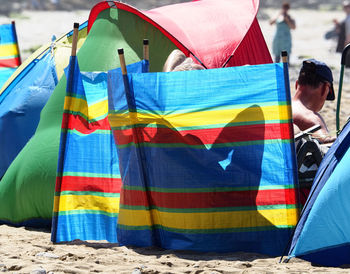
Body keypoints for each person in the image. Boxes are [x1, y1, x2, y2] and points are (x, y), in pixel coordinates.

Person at [292, 59, 336, 144]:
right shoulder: (310, 119)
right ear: (325, 89)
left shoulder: (280, 107)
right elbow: (327, 143)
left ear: (297, 84)